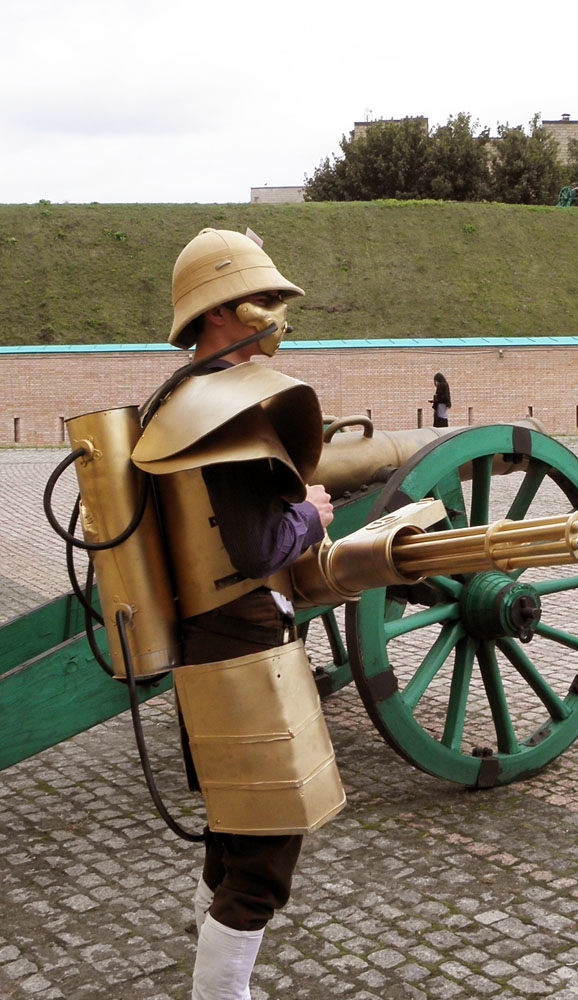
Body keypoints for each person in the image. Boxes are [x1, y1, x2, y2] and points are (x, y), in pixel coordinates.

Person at [132, 228, 343, 1000]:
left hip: (204, 639)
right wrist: (312, 515)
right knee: (263, 856)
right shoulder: (223, 404)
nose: (277, 316)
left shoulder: (175, 397)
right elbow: (257, 547)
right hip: (247, 642)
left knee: (233, 828)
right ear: (222, 313)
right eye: (265, 299)